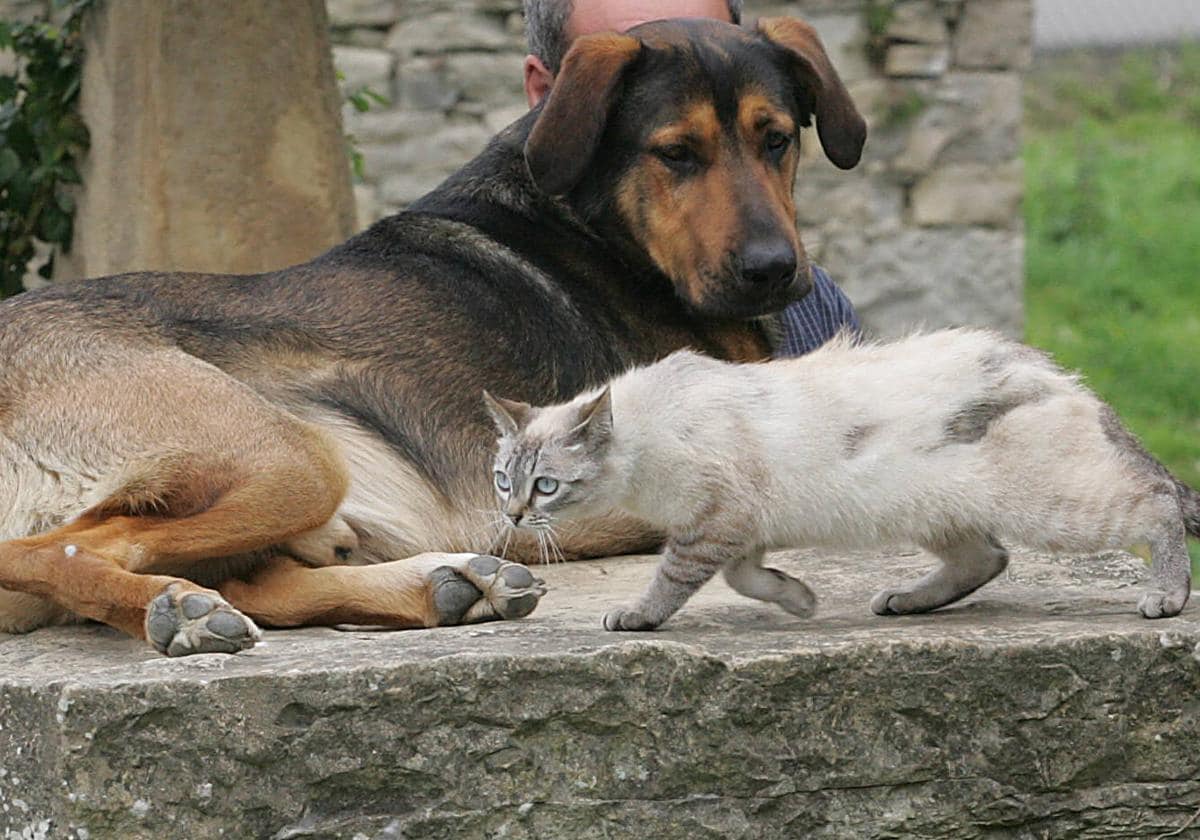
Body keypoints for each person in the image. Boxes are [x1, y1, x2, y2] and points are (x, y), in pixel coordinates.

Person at [521, 0, 862, 356]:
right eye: (678, 153)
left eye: (774, 141)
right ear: (547, 96)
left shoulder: (818, 309)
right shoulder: (512, 325)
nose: (767, 252)